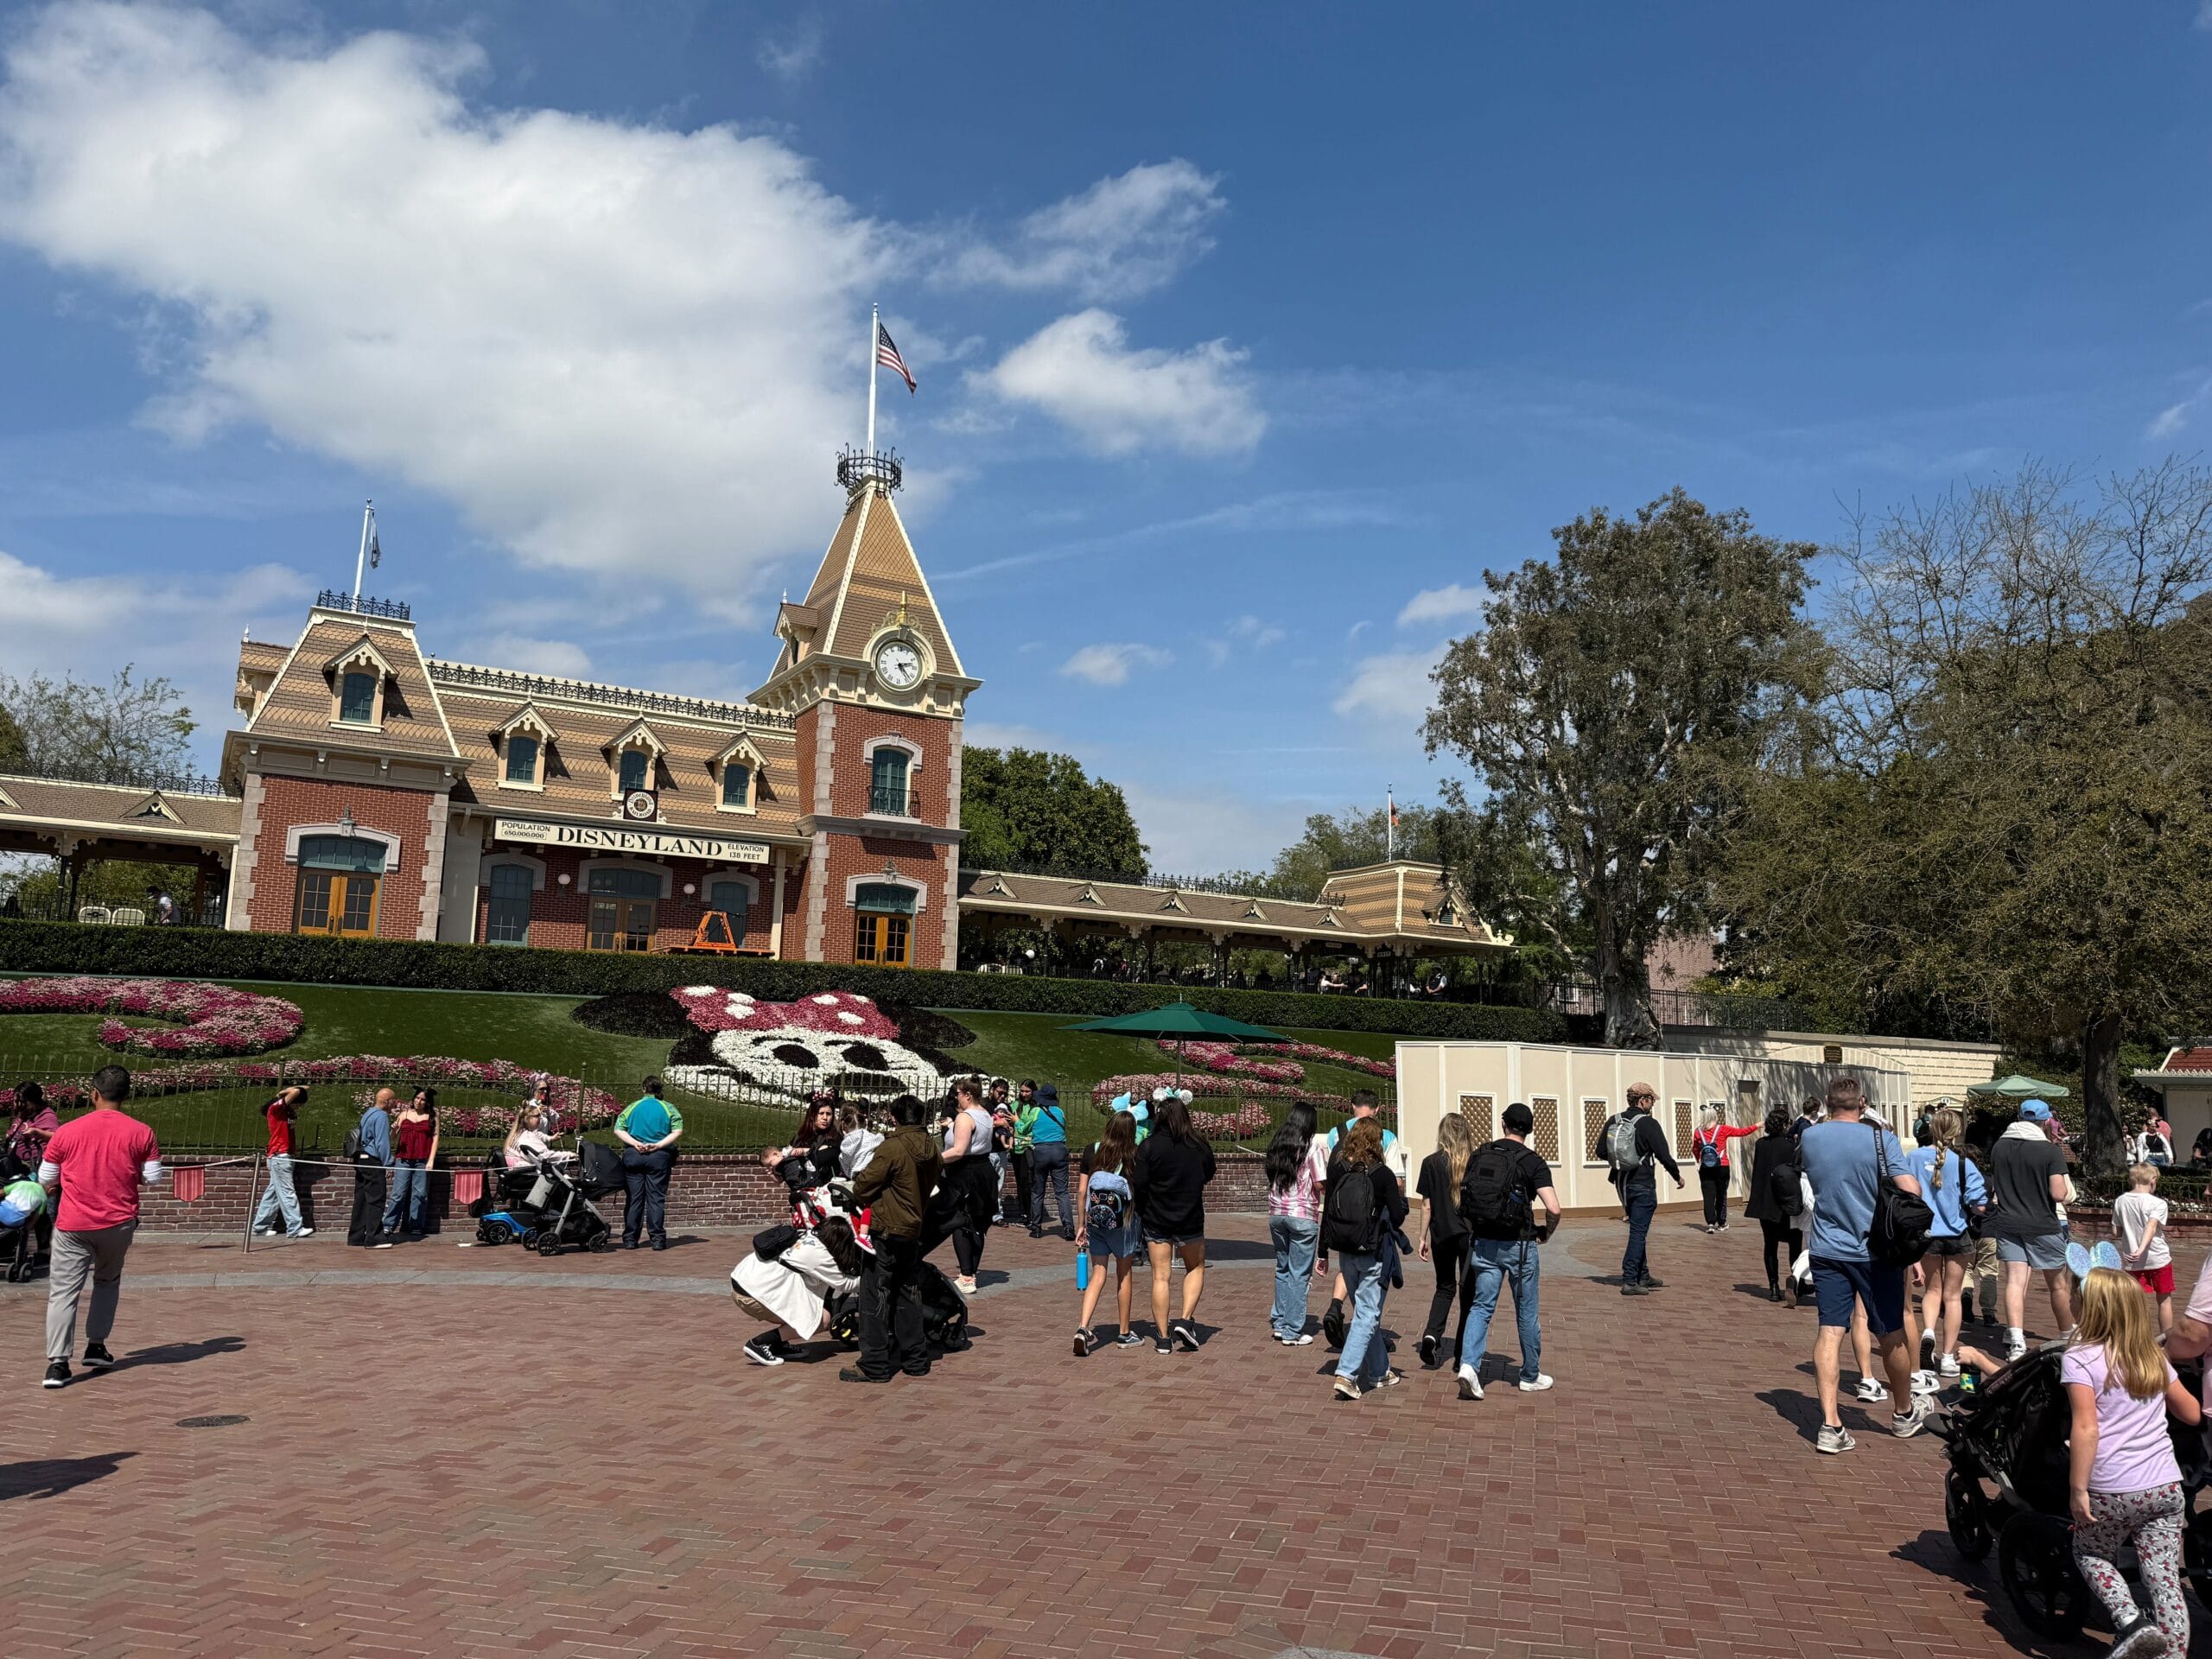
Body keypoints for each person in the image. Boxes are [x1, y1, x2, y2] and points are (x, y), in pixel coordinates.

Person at [2065, 1266, 2199, 1659]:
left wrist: (2077, 1489)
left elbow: (2086, 1427)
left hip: (2113, 1486)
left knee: (2090, 1553)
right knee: (2164, 1583)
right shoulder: (2151, 1357)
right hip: (2164, 1486)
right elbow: (2190, 1413)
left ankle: (2130, 1622)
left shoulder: (2081, 1358)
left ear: (2090, 1309)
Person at [1796, 1074, 1927, 1452]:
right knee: (1890, 1332)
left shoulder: (1811, 1137)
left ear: (1827, 1102)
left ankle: (1830, 1424)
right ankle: (1903, 1413)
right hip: (1874, 1251)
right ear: (1863, 1102)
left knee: (1830, 1331)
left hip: (1826, 1247)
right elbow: (1910, 1188)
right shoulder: (1879, 1138)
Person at [39, 1064, 159, 1388]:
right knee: (107, 1282)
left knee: (63, 1291)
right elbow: (153, 1177)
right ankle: (96, 1346)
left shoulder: (67, 1132)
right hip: (118, 1222)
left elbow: (46, 1177)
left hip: (74, 1222)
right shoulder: (142, 1132)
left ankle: (58, 1364)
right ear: (126, 1095)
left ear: (94, 1093)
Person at [1454, 1101, 1561, 1397]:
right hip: (1520, 1245)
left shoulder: (1482, 1153)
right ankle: (1529, 1375)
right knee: (1526, 1311)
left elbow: (1464, 1196)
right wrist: (1546, 1233)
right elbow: (1553, 1207)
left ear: (1504, 1124)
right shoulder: (1532, 1161)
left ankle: (1469, 1366)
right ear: (1529, 1129)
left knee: (1481, 1306)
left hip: (1484, 1243)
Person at [844, 1094, 941, 1382]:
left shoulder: (893, 1147)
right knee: (909, 1292)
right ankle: (915, 1359)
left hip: (885, 1228)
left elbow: (863, 1186)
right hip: (913, 1226)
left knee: (876, 1293)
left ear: (895, 1118)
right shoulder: (932, 1147)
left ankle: (874, 1363)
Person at [1323, 1116, 1407, 1399]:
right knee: (1368, 1315)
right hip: (1374, 1250)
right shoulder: (1382, 1174)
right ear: (1377, 1141)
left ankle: (1380, 1371)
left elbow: (1328, 1210)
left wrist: (1322, 1251)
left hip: (1345, 1250)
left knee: (1364, 1314)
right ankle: (1346, 1374)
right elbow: (1397, 1215)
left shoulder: (1338, 1168)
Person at [1905, 1105, 1985, 1387]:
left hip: (1925, 1233)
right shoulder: (1964, 1164)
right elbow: (1979, 1204)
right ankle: (1949, 1356)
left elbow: (1902, 1191)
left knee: (1932, 1291)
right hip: (1956, 1232)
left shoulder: (1913, 1158)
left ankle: (1928, 1331)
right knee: (1953, 1296)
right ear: (1956, 1132)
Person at [1987, 1098, 2073, 1362]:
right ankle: (2068, 1335)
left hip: (2009, 1221)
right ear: (2046, 1120)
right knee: (2058, 1285)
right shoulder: (2050, 1151)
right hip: (2043, 1224)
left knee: (2014, 1281)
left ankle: (2016, 1340)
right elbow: (2059, 1193)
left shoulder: (1999, 1146)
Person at [1131, 1095, 1217, 1354]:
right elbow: (1209, 1173)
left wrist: (1145, 1208)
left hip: (1157, 1216)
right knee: (1196, 1267)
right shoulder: (1198, 1144)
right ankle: (1185, 1318)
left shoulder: (1149, 1146)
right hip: (1189, 1215)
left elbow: (1139, 1183)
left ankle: (1163, 1336)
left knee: (1161, 1276)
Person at [734, 1213, 866, 1367]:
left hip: (742, 1283)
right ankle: (758, 1343)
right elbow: (845, 1285)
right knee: (822, 1320)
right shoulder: (819, 1255)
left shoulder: (808, 1235)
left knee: (805, 1306)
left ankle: (778, 1345)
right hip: (753, 1296)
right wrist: (872, 1282)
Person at [1320, 1090, 1401, 1339]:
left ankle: (1336, 1305)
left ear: (1352, 1106)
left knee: (1349, 1266)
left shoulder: (1336, 1134)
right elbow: (1397, 1180)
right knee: (1371, 1280)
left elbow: (1331, 1176)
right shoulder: (1386, 1136)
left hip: (1342, 1216)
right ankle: (1367, 1333)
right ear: (1378, 1110)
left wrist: (1322, 1249)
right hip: (1373, 1220)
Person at [1074, 1109, 1145, 1354]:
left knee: (1098, 1273)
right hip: (1122, 1223)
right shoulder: (1133, 1156)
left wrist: (1082, 1224)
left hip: (1096, 1222)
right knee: (1124, 1274)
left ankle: (1083, 1327)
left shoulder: (1092, 1150)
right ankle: (1124, 1333)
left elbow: (1083, 1191)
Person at [1601, 1082, 1682, 1296]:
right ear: (1642, 1100)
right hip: (1643, 1184)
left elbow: (1601, 1151)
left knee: (1638, 1229)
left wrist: (1623, 1158)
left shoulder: (1614, 1120)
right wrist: (1677, 1176)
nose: (1652, 1105)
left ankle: (1643, 1276)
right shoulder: (1649, 1124)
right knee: (1638, 1232)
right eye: (1651, 1100)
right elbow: (1664, 1155)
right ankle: (1630, 1280)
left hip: (1622, 1185)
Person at [1414, 1115, 1476, 1368]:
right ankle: (1461, 1353)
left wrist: (1422, 1236)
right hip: (1469, 1235)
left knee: (1445, 1287)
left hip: (1441, 1234)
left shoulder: (1430, 1163)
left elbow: (1426, 1206)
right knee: (1468, 1293)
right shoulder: (1473, 1161)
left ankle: (1432, 1334)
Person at [1263, 1102, 1325, 1346]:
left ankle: (1279, 1322)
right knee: (1300, 1274)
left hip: (1277, 1212)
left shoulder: (1278, 1145)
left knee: (1283, 1268)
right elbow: (1320, 1182)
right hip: (1302, 1214)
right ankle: (1292, 1331)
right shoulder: (1311, 1147)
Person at [927, 1078, 997, 1294]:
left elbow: (959, 1150)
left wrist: (932, 1159)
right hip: (983, 1170)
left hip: (966, 1174)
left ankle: (966, 1276)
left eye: (958, 1094)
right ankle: (971, 1272)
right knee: (977, 1222)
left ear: (967, 1094)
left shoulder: (966, 1118)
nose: (955, 1097)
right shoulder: (985, 1114)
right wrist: (951, 1125)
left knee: (961, 1221)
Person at [1743, 1103, 1805, 1305]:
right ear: (1785, 1125)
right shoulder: (1790, 1146)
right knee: (1795, 1244)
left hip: (1766, 1203)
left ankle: (1773, 1286)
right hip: (1787, 1203)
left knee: (1770, 1245)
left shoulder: (1761, 1144)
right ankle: (1794, 1282)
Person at [2113, 1164, 2174, 1334]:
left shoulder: (2120, 1201)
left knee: (2135, 1302)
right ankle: (2166, 1340)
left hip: (2132, 1260)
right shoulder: (2158, 1203)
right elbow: (2152, 1227)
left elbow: (2116, 1231)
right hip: (2158, 1257)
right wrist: (2141, 1249)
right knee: (2164, 1300)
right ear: (2153, 1180)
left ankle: (2137, 1340)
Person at [251, 1085, 313, 1238]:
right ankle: (295, 1227)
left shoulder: (287, 1111)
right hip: (280, 1155)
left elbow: (301, 1090)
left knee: (273, 1194)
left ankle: (260, 1227)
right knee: (287, 1192)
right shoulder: (276, 1109)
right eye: (297, 1104)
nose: (298, 1107)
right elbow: (296, 1091)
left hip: (285, 1156)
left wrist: (301, 1089)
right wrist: (292, 1090)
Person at [381, 1088, 438, 1241]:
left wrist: (431, 1160)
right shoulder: (404, 1114)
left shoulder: (432, 1117)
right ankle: (388, 1225)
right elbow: (392, 1138)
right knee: (398, 1194)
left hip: (422, 1159)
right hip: (404, 1159)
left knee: (419, 1195)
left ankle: (416, 1226)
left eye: (423, 1099)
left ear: (428, 1102)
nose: (419, 1101)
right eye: (417, 1098)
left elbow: (435, 1139)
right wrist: (393, 1130)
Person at [1689, 1105, 1756, 1234]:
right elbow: (1742, 1132)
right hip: (1722, 1166)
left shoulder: (1698, 1132)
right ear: (1715, 1117)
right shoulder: (1723, 1129)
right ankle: (1722, 1222)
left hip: (1706, 1168)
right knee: (1721, 1195)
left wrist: (1699, 1160)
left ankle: (1710, 1223)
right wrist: (1757, 1125)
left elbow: (1695, 1149)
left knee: (1708, 1196)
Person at [1023, 1082, 1072, 1239]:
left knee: (1038, 1191)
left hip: (1041, 1151)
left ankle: (1036, 1227)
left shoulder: (1035, 1111)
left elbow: (1023, 1129)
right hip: (1059, 1150)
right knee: (1062, 1192)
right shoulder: (1060, 1112)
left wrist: (1017, 1122)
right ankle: (1069, 1228)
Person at [349, 1088, 396, 1249]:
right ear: (386, 1101)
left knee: (361, 1198)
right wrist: (388, 1164)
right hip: (372, 1161)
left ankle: (355, 1236)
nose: (395, 1103)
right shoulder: (382, 1116)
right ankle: (374, 1238)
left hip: (360, 1159)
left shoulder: (368, 1113)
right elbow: (382, 1142)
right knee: (377, 1198)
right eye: (393, 1100)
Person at [763, 1096, 837, 1172]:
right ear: (812, 1115)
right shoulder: (801, 1137)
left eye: (828, 1114)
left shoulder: (835, 1137)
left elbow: (828, 1153)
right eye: (821, 1113)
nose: (825, 1117)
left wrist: (803, 1151)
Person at [503, 1100, 569, 1168]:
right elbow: (545, 1156)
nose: (540, 1118)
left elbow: (537, 1134)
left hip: (517, 1172)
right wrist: (569, 1155)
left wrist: (551, 1138)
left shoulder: (518, 1133)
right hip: (527, 1174)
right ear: (527, 1119)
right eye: (537, 1116)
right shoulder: (527, 1138)